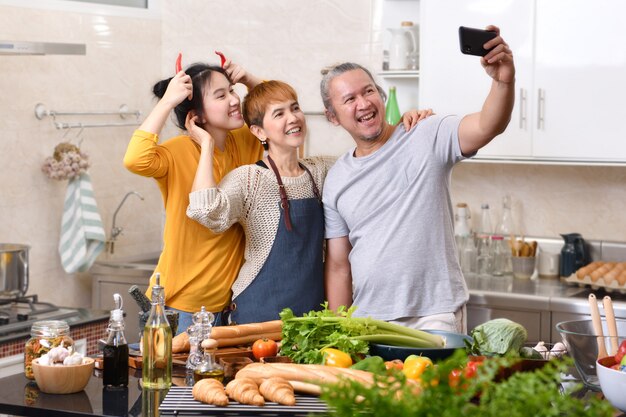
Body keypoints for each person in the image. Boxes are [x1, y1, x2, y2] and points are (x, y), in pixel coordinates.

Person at [186, 80, 433, 324]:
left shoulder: (322, 170)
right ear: (259, 131)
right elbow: (205, 211)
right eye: (279, 113)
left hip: (313, 316)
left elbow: (372, 161)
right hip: (258, 313)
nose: (293, 118)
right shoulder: (249, 179)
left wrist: (403, 126)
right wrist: (206, 144)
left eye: (295, 108)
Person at [321, 25, 515, 334]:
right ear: (332, 116)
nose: (363, 103)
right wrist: (338, 330)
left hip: (435, 315)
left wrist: (504, 81)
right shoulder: (337, 178)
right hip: (367, 321)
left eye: (368, 91)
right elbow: (338, 266)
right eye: (349, 99)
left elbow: (486, 126)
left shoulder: (424, 133)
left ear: (380, 94)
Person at [123, 58, 265, 334]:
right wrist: (166, 102)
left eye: (232, 90)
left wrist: (249, 79)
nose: (235, 100)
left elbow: (274, 110)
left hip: (227, 306)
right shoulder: (178, 150)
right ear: (197, 115)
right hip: (180, 308)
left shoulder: (244, 142)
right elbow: (134, 159)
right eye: (221, 95)